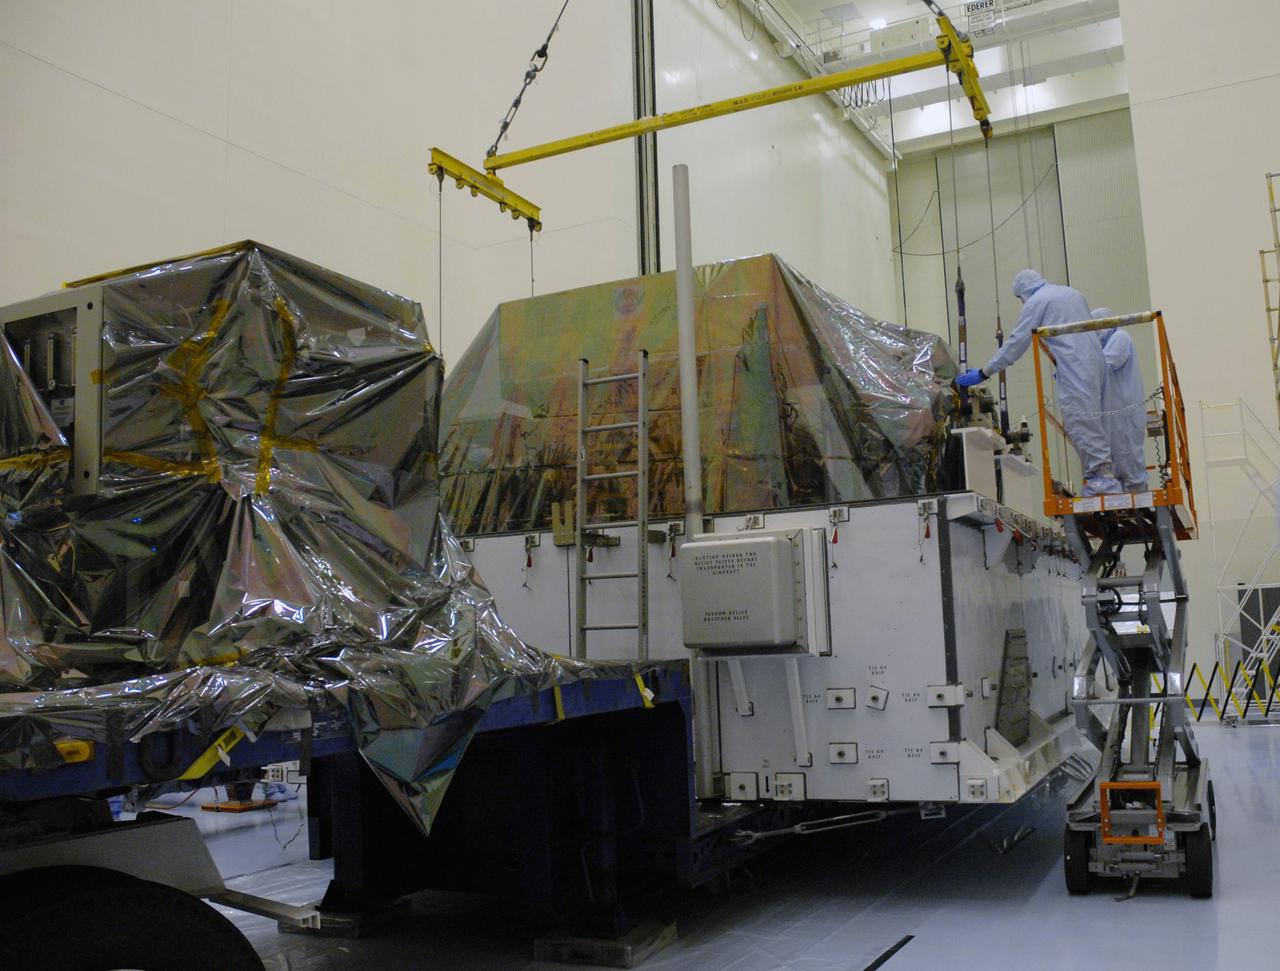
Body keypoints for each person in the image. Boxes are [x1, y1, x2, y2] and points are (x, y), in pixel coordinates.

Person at [956, 269, 1119, 495]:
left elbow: (1016, 343)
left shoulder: (1037, 302)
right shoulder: (1071, 293)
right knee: (1097, 419)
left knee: (1081, 421)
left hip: (1074, 365)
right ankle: (1107, 476)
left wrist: (984, 372)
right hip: (1095, 362)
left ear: (1023, 292)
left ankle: (1103, 481)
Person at [1093, 308, 1148, 491]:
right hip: (1116, 409)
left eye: (1096, 328)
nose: (1095, 333)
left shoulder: (1120, 337)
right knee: (1118, 453)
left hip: (1124, 409)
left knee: (1126, 451)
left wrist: (1074, 371)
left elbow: (1108, 363)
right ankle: (1125, 493)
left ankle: (1136, 494)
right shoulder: (1107, 343)